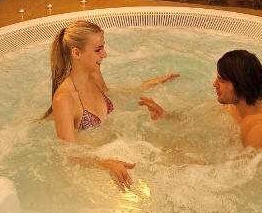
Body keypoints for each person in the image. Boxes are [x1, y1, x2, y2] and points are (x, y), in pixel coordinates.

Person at [42, 20, 179, 187]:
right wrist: (105, 164)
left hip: (120, 151)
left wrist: (151, 85)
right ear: (76, 53)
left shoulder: (93, 74)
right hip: (95, 171)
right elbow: (69, 155)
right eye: (98, 50)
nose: (104, 54)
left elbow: (114, 95)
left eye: (103, 47)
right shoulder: (64, 99)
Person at [213, 49, 262, 149]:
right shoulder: (234, 107)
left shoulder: (260, 130)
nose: (215, 84)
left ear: (240, 85)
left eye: (221, 80)